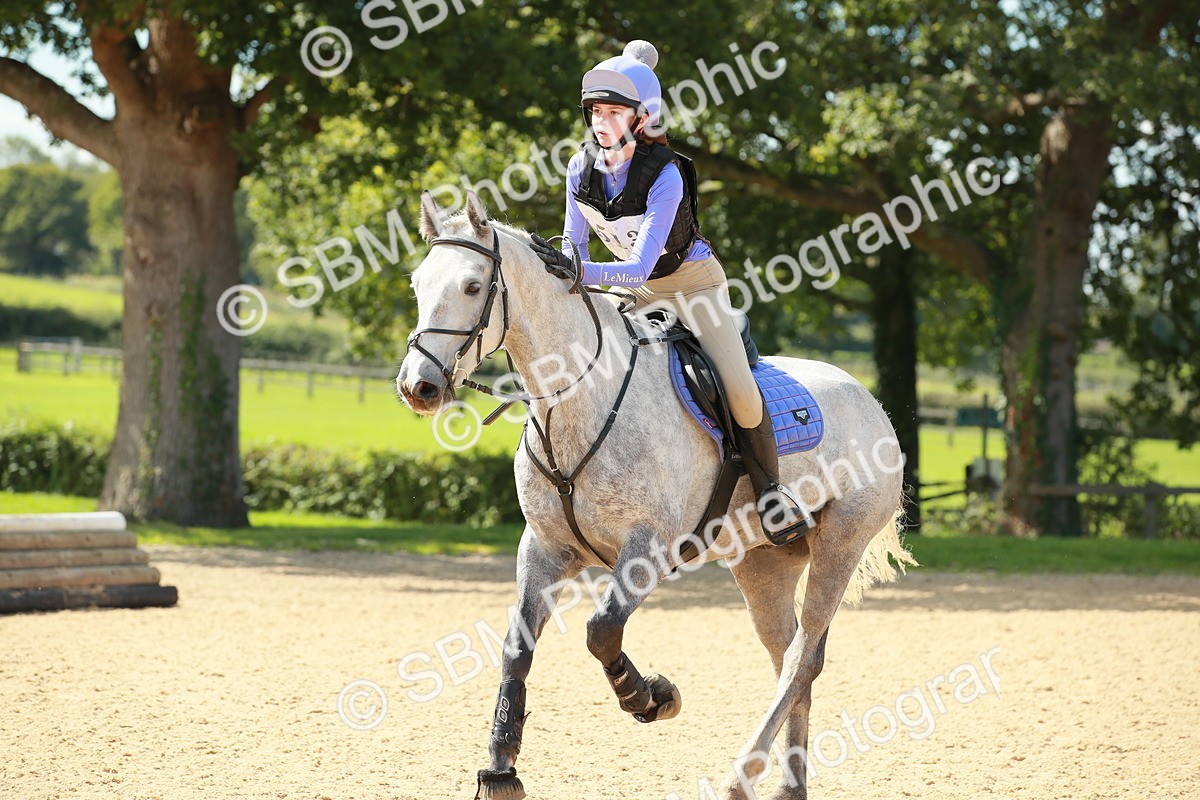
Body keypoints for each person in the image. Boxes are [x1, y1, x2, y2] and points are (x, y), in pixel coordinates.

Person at [528, 40, 812, 545]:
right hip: (630, 289)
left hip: (692, 285)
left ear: (642, 119)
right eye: (595, 111)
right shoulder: (578, 168)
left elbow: (639, 265)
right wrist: (566, 269)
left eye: (614, 112)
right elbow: (574, 241)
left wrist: (579, 271)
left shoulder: (667, 173)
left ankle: (771, 491)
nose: (600, 122)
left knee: (741, 393)